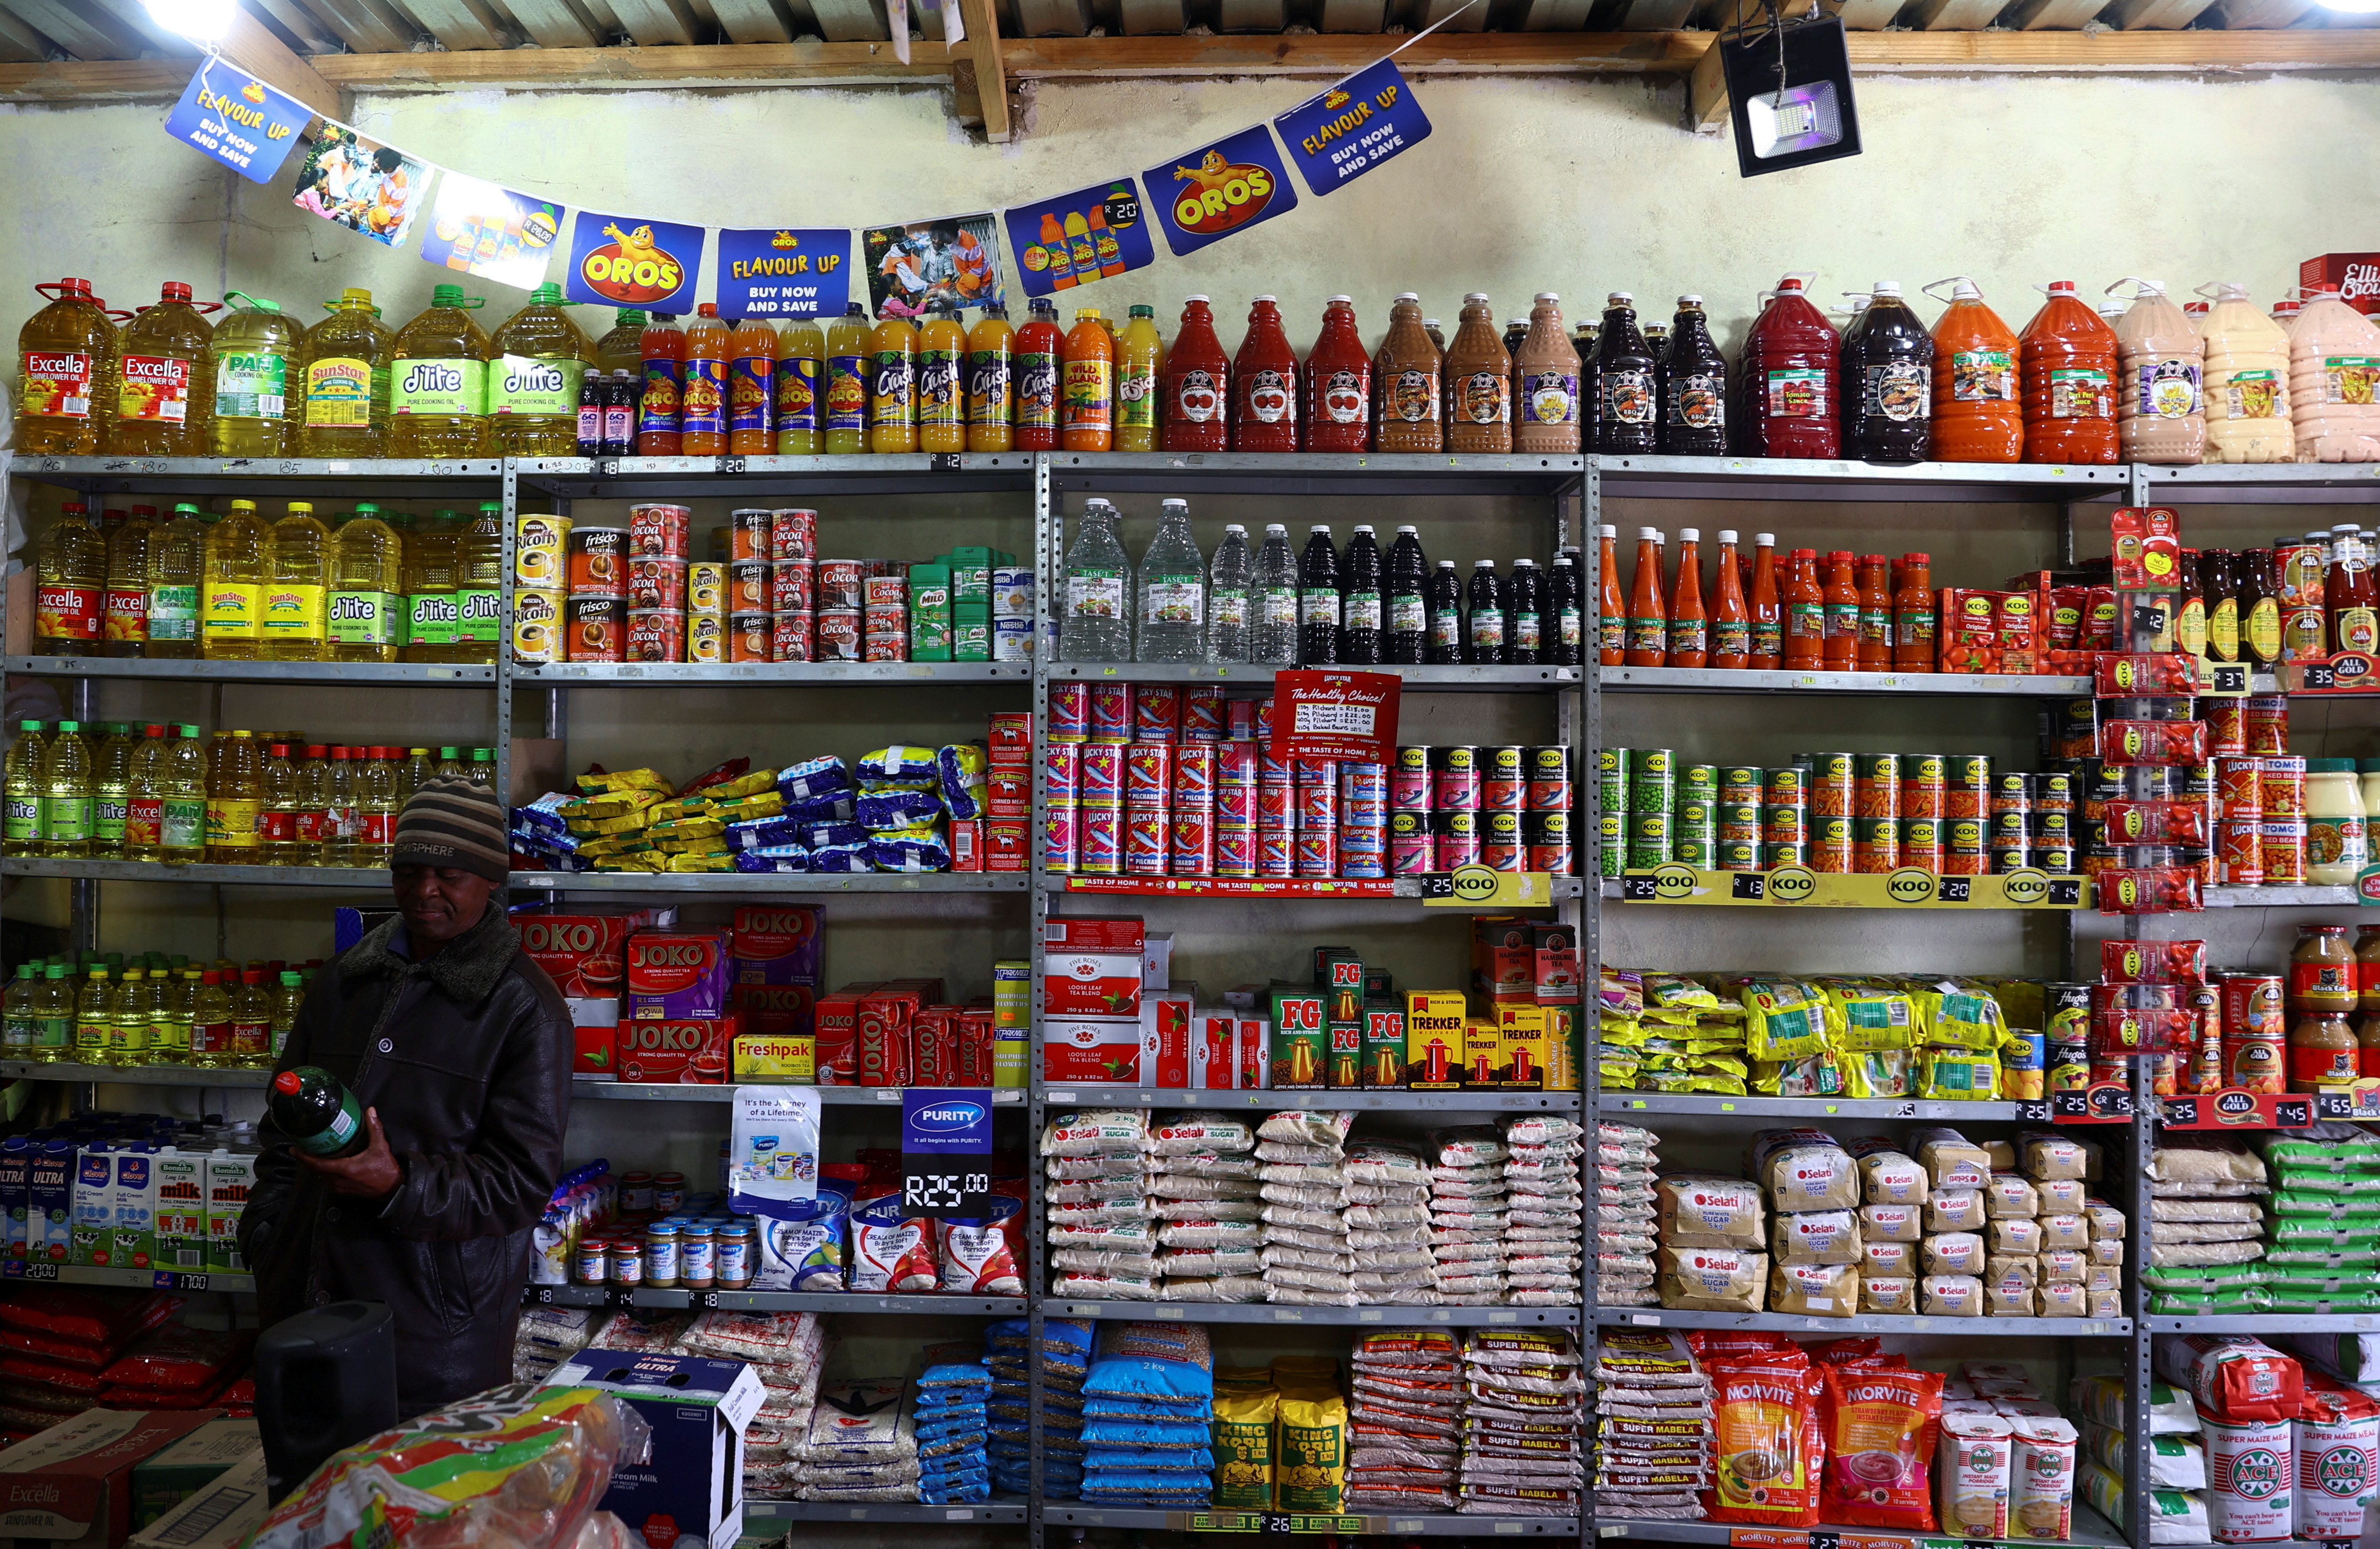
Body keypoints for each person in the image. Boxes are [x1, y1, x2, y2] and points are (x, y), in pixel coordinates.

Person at [241, 776, 569, 1417]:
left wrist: (397, 1183)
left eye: (451, 875)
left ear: (491, 881)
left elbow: (521, 1184)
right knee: (309, 1503)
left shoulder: (526, 1010)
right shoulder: (344, 981)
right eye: (410, 870)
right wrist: (268, 1234)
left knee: (421, 1504)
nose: (425, 891)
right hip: (303, 1303)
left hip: (433, 1333)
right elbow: (282, 1128)